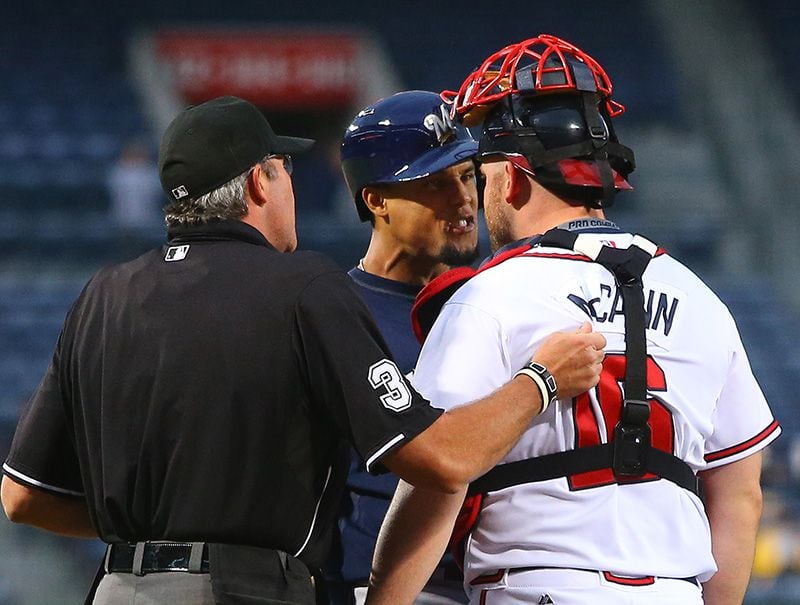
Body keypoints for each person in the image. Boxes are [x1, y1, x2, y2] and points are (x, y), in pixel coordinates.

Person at [0, 95, 606, 605]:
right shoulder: (304, 288)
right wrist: (542, 380)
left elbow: (22, 496)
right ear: (262, 180)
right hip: (252, 588)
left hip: (118, 588)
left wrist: (151, 541)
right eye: (285, 167)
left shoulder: (102, 295)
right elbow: (437, 459)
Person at [366, 34, 781, 605]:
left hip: (536, 587)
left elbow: (440, 476)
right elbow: (740, 494)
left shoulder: (492, 295)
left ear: (510, 177)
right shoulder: (703, 301)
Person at [328, 90, 481, 604]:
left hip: (487, 584)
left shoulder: (500, 302)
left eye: (466, 176)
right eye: (436, 183)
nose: (463, 201)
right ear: (376, 200)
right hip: (367, 585)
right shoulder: (329, 313)